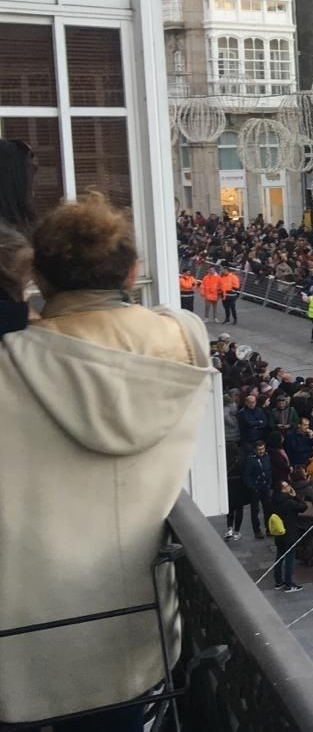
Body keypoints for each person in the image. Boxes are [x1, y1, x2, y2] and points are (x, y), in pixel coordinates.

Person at [0, 194, 214, 731]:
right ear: (133, 271)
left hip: (27, 646)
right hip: (135, 635)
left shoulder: (13, 358)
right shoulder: (183, 339)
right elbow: (169, 318)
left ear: (38, 277)